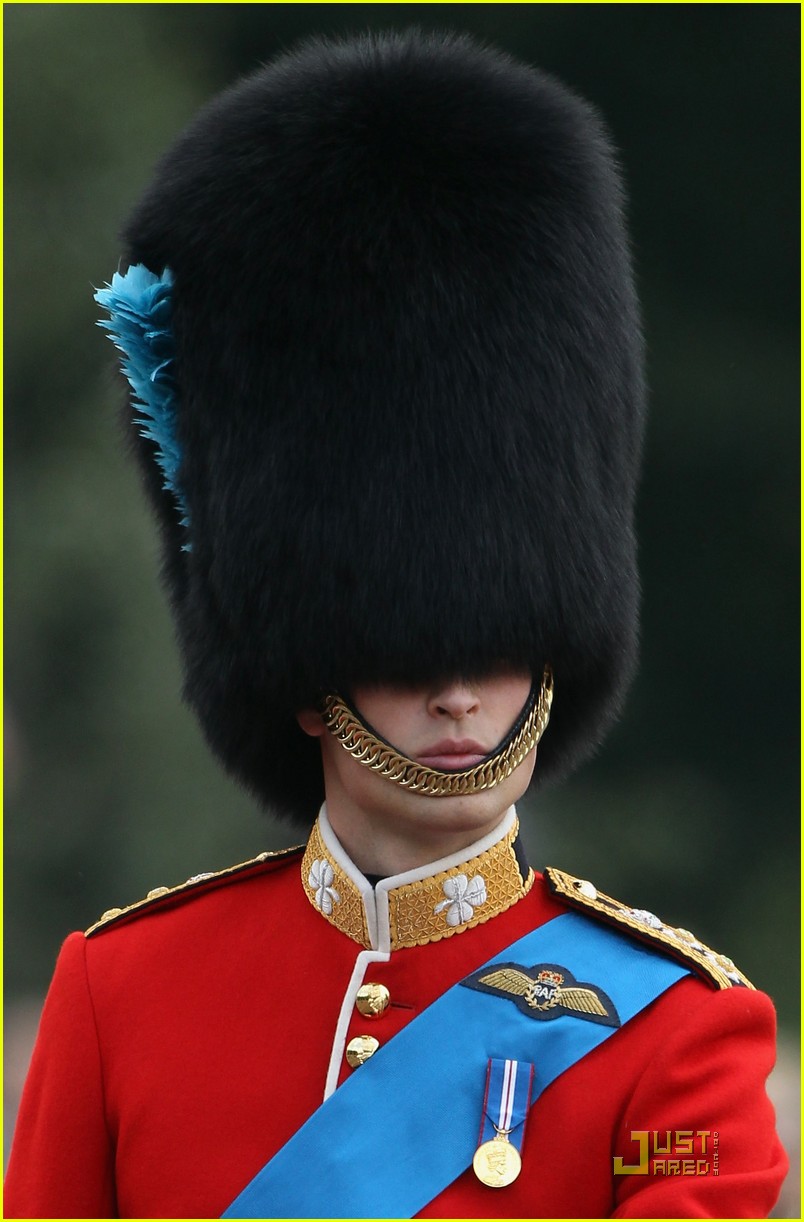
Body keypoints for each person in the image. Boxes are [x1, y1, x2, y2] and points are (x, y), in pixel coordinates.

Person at [4, 29, 787, 1219]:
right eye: (405, 650)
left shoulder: (676, 1029)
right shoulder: (121, 993)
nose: (459, 694)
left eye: (494, 642)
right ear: (309, 671)